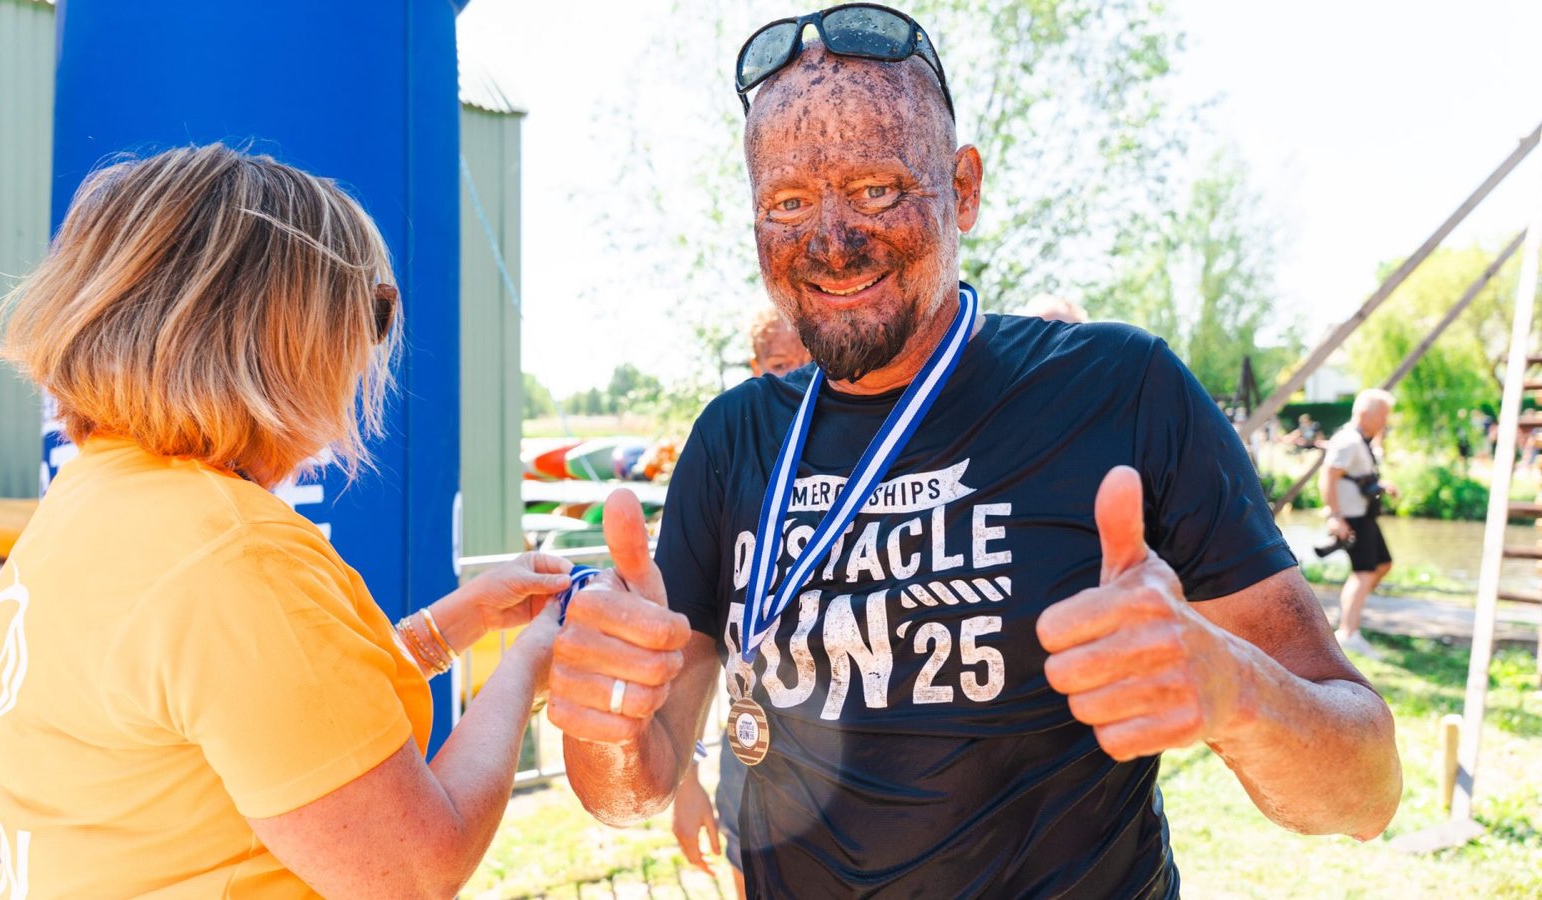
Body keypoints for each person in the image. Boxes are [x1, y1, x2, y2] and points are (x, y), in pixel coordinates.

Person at [545, 6, 1401, 897]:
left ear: (964, 190)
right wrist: (604, 720)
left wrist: (1233, 690)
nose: (832, 243)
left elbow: (1367, 790)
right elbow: (633, 785)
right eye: (789, 203)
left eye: (878, 189)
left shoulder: (1118, 388)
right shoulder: (732, 438)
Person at [0, 144, 573, 898]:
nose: (368, 347)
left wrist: (457, 622)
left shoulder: (95, 499)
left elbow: (258, 712)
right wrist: (528, 665)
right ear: (282, 332)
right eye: (369, 312)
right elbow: (414, 871)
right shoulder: (231, 554)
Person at [669, 307, 810, 893]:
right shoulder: (732, 458)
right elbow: (689, 631)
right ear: (756, 368)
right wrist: (683, 783)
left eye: (815, 363)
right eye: (781, 366)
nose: (802, 380)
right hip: (754, 767)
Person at [1320, 389, 1398, 659]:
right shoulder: (1348, 440)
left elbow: (1359, 476)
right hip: (1351, 516)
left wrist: (1382, 486)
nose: (1385, 422)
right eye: (1383, 416)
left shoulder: (1361, 440)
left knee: (1382, 565)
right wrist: (1335, 516)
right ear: (1366, 414)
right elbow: (1328, 476)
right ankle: (1348, 633)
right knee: (1364, 573)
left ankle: (1351, 620)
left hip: (1363, 514)